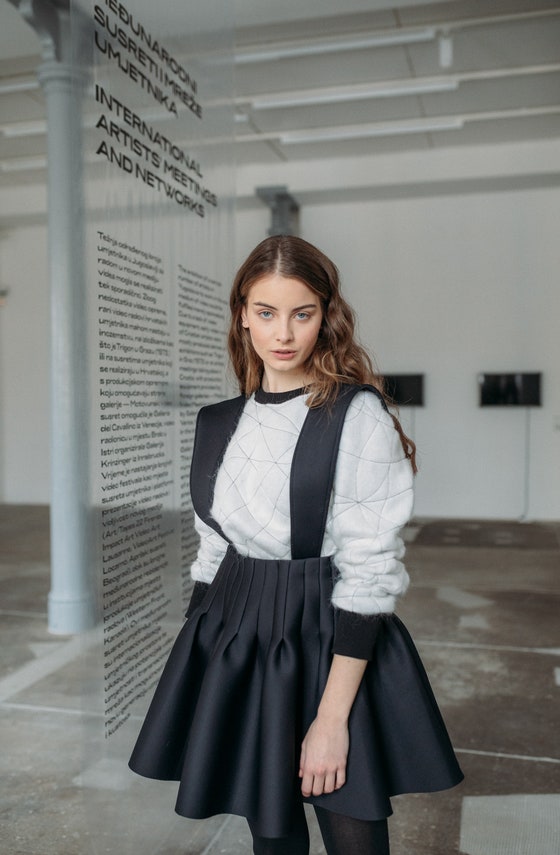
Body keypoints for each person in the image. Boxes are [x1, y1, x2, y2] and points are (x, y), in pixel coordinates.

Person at [129, 235, 463, 854]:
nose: (283, 333)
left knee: (352, 826)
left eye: (302, 313)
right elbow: (212, 548)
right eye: (266, 312)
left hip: (331, 635)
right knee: (273, 838)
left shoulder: (354, 415)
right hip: (239, 631)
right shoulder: (217, 422)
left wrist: (331, 719)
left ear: (325, 317)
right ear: (241, 315)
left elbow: (369, 570)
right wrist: (206, 662)